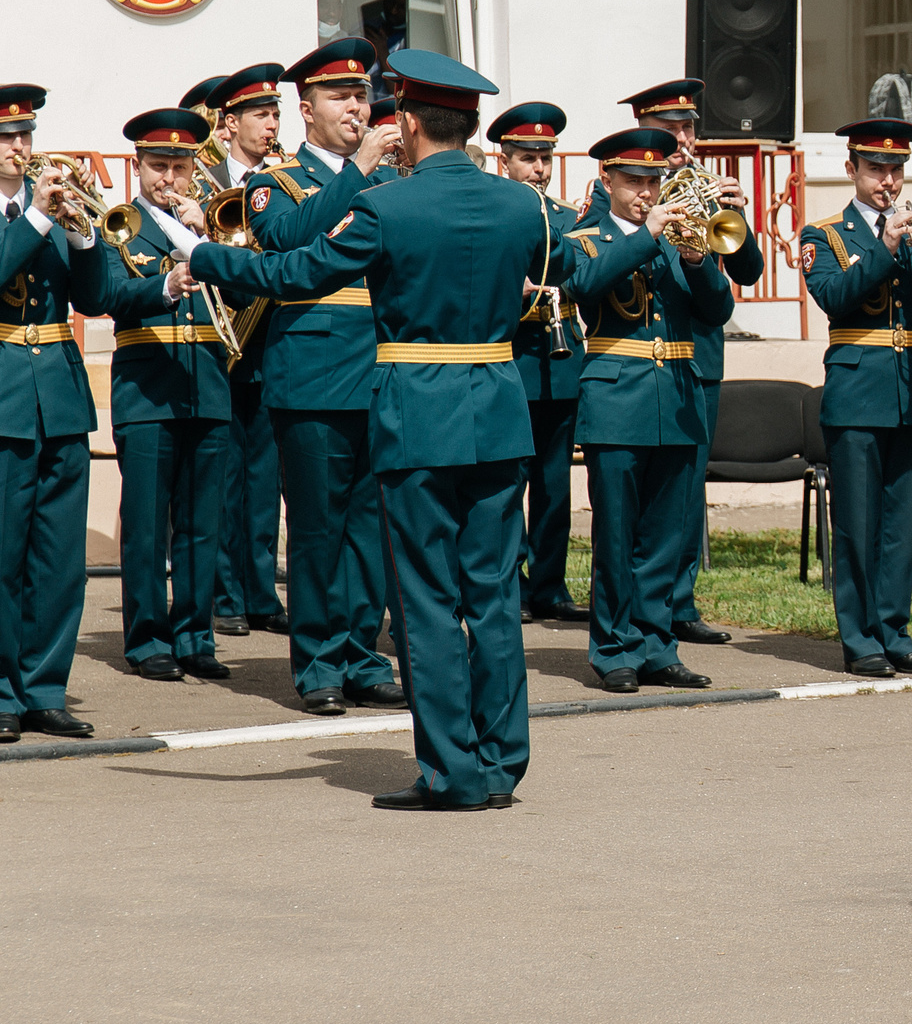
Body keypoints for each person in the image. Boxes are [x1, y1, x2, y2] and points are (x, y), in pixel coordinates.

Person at [183, 50, 665, 810]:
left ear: (406, 121)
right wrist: (644, 237)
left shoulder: (388, 207)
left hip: (415, 414)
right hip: (498, 414)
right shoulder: (523, 206)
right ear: (471, 125)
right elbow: (575, 267)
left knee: (427, 600)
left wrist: (201, 253)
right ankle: (503, 761)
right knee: (493, 594)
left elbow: (292, 275)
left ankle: (451, 770)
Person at [247, 37, 405, 716]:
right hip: (310, 374)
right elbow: (292, 239)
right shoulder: (272, 183)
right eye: (340, 96)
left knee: (371, 526)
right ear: (305, 109)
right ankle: (317, 664)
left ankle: (363, 654)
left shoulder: (392, 182)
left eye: (361, 94)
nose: (355, 106)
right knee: (316, 527)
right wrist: (358, 171)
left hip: (379, 370)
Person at [589, 79, 765, 650]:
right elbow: (589, 273)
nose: (684, 141)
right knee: (622, 522)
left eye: (689, 129)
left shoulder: (697, 203)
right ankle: (622, 638)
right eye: (671, 129)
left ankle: (665, 621)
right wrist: (655, 223)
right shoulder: (600, 215)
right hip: (621, 380)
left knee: (677, 510)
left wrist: (719, 226)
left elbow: (737, 283)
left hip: (686, 371)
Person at [801, 117, 912, 679]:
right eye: (876, 168)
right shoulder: (823, 236)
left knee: (901, 522)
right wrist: (884, 246)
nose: (888, 180)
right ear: (851, 170)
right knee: (857, 519)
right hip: (856, 394)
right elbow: (835, 297)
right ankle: (860, 639)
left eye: (896, 169)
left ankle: (895, 631)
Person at [568, 128, 734, 694]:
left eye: (653, 181)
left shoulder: (682, 238)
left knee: (667, 533)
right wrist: (648, 236)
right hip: (616, 397)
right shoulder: (585, 236)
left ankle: (657, 645)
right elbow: (584, 286)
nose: (645, 191)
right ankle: (613, 648)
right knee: (616, 532)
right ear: (607, 182)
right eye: (634, 181)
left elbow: (717, 310)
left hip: (679, 397)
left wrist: (699, 259)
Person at [91, 109, 246, 684]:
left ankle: (195, 635)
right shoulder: (120, 224)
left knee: (204, 521)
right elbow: (106, 291)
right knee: (148, 522)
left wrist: (205, 238)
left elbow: (245, 285)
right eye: (159, 166)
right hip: (148, 386)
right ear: (139, 166)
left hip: (206, 383)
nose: (171, 179)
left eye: (180, 167)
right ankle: (148, 639)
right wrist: (163, 285)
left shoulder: (206, 225)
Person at [0, 86, 104, 742]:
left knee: (59, 556)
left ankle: (44, 688)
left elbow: (95, 298)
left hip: (61, 397)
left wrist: (84, 232)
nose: (20, 149)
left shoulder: (52, 206)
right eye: (7, 138)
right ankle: (2, 693)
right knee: (4, 552)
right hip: (6, 397)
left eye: (27, 136)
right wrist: (37, 220)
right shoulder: (23, 212)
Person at [489, 102, 588, 624]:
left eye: (545, 158)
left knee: (555, 484)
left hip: (562, 360)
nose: (540, 169)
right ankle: (512, 582)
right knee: (511, 479)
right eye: (528, 158)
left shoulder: (570, 218)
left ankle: (550, 583)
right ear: (504, 160)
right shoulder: (499, 211)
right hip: (516, 356)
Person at [202, 64, 290, 638]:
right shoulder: (203, 180)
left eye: (276, 113)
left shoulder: (285, 182)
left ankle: (261, 592)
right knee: (223, 477)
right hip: (216, 342)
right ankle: (224, 593)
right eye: (261, 115)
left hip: (270, 341)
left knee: (264, 479)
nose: (271, 125)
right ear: (229, 122)